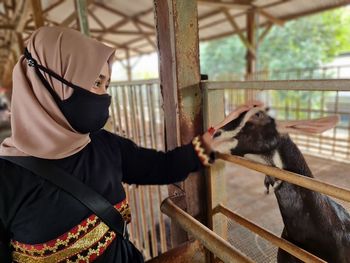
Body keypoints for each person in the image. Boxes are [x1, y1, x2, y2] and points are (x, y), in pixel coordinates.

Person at [0, 26, 261, 262]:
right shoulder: (6, 179)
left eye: (106, 84)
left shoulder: (104, 146)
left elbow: (165, 167)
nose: (104, 95)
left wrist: (223, 131)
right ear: (49, 84)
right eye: (95, 82)